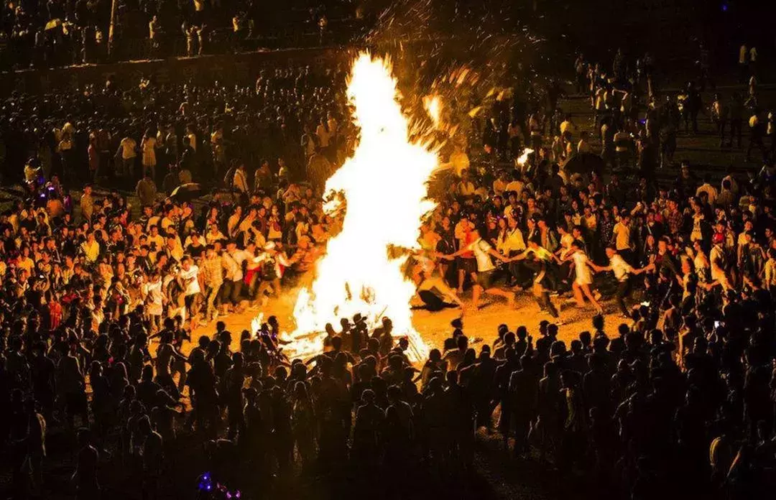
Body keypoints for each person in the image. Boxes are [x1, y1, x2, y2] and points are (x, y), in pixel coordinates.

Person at [443, 226, 515, 309]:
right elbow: (463, 250)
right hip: (482, 270)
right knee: (476, 287)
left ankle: (509, 295)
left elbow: (492, 251)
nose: (470, 236)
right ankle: (474, 306)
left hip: (487, 270)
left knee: (487, 290)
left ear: (476, 234)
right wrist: (451, 255)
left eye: (472, 234)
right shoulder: (474, 244)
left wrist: (502, 258)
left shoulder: (482, 243)